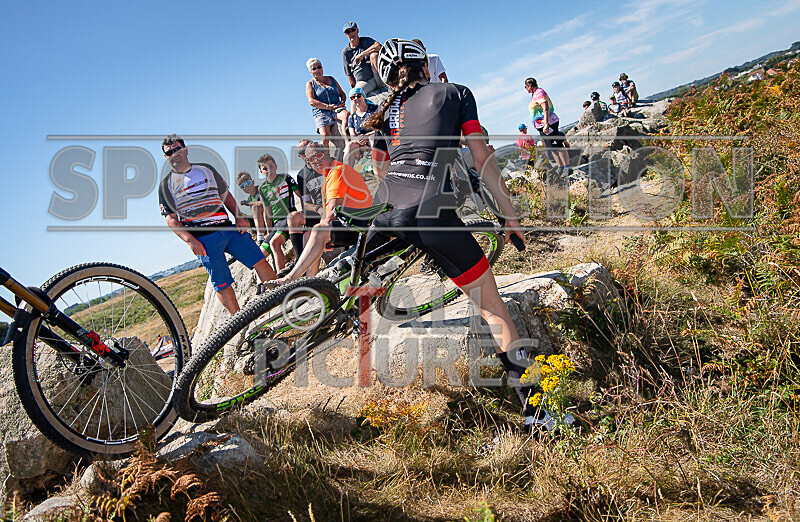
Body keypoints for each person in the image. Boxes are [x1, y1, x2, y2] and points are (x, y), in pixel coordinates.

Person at [364, 39, 549, 430]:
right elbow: (481, 158)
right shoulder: (456, 92)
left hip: (392, 211)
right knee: (492, 307)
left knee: (366, 266)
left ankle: (341, 306)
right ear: (425, 67)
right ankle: (537, 415)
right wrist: (509, 216)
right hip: (432, 210)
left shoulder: (385, 113)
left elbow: (381, 173)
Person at [158, 134, 276, 315]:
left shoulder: (206, 169)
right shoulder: (166, 185)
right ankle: (240, 326)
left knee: (259, 261)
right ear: (166, 157)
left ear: (186, 149)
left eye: (177, 149)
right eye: (169, 153)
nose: (174, 154)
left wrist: (238, 216)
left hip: (228, 228)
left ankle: (279, 301)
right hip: (203, 239)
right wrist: (190, 240)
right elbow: (171, 219)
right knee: (222, 284)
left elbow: (225, 195)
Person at [275, 142, 373, 282]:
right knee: (315, 234)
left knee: (318, 232)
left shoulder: (337, 171)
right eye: (311, 160)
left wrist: (323, 233)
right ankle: (309, 282)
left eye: (318, 155)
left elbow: (333, 211)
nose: (317, 161)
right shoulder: (329, 175)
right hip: (355, 224)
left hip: (362, 226)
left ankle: (291, 278)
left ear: (327, 151)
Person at [238, 155, 302, 271]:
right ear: (261, 172)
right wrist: (269, 231)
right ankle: (265, 284)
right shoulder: (262, 188)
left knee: (274, 243)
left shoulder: (285, 178)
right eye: (265, 168)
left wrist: (305, 214)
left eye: (271, 167)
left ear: (276, 167)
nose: (269, 170)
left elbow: (300, 195)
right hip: (277, 223)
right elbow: (267, 213)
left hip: (289, 217)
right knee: (260, 255)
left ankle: (280, 276)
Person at [287, 139, 325, 260]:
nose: (306, 153)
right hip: (318, 210)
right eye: (303, 152)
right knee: (293, 217)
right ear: (300, 156)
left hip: (334, 205)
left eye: (308, 148)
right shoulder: (302, 175)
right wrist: (318, 209)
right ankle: (298, 260)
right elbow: (306, 203)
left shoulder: (326, 163)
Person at [524, 77, 569, 170]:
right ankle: (560, 167)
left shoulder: (539, 93)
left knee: (557, 144)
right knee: (551, 146)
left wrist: (546, 124)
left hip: (548, 124)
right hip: (541, 125)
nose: (526, 89)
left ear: (530, 85)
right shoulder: (535, 94)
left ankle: (566, 166)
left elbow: (546, 107)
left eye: (526, 87)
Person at [305, 57, 348, 152]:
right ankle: (327, 159)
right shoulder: (310, 84)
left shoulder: (331, 79)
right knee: (325, 136)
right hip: (322, 112)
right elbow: (311, 101)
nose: (317, 70)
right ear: (310, 72)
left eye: (319, 67)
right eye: (314, 68)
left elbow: (342, 94)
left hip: (336, 108)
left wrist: (342, 102)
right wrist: (327, 106)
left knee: (346, 115)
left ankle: (348, 143)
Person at [342, 22, 384, 95]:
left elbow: (379, 46)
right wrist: (355, 88)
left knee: (374, 55)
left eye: (353, 30)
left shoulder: (366, 40)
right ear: (346, 34)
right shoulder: (345, 52)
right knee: (354, 94)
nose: (351, 33)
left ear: (357, 30)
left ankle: (384, 85)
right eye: (348, 32)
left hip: (377, 78)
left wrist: (362, 55)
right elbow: (349, 74)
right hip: (364, 83)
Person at [343, 86, 379, 166]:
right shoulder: (352, 118)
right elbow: (353, 136)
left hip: (376, 139)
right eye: (353, 97)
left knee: (372, 138)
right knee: (349, 145)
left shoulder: (375, 109)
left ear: (363, 96)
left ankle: (376, 167)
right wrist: (359, 140)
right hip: (361, 145)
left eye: (358, 95)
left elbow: (381, 128)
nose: (356, 98)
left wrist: (366, 136)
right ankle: (347, 173)